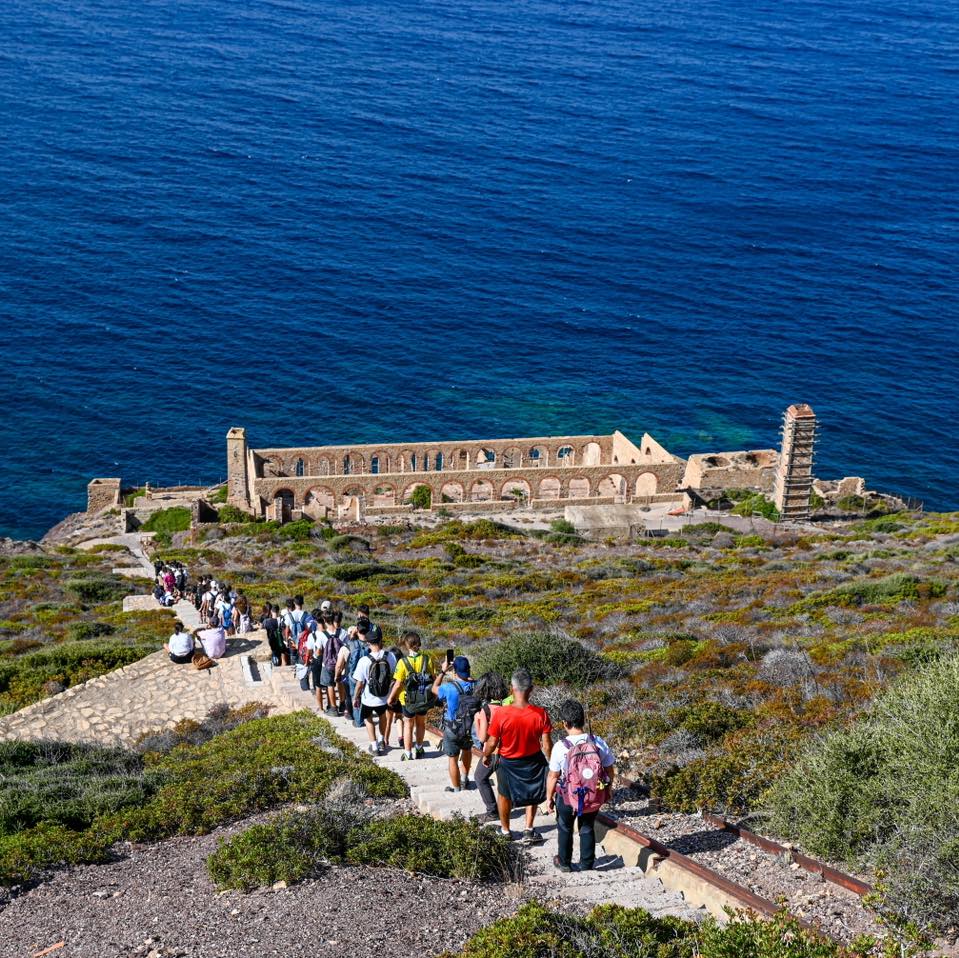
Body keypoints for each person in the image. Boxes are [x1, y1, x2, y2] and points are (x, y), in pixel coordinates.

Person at [482, 668, 552, 844]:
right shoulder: (541, 713)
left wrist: (486, 756)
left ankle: (505, 831)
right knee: (532, 793)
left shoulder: (501, 714)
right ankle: (529, 829)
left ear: (511, 688)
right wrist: (551, 761)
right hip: (533, 760)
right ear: (531, 689)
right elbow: (547, 744)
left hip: (508, 762)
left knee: (504, 794)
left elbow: (492, 742)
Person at [546, 699, 616, 873]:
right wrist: (608, 789)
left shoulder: (560, 747)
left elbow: (553, 776)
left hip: (568, 796)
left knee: (564, 827)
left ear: (565, 723)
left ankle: (564, 862)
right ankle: (586, 864)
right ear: (583, 720)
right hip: (592, 794)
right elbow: (609, 770)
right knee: (586, 827)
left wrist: (549, 798)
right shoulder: (598, 742)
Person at [433, 655, 478, 793]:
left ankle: (456, 789)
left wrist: (442, 671)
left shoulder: (448, 687)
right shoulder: (476, 685)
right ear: (469, 669)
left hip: (452, 728)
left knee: (452, 759)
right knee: (467, 751)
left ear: (454, 671)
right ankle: (465, 780)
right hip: (469, 727)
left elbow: (434, 688)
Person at [387, 631, 433, 761]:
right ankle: (419, 748)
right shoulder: (426, 659)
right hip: (423, 697)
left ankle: (407, 753)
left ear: (407, 645)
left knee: (408, 725)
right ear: (419, 644)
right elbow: (433, 677)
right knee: (420, 724)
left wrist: (391, 698)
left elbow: (398, 684)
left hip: (407, 700)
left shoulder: (402, 662)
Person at [472, 671, 509, 823]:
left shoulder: (485, 710)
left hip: (492, 751)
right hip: (508, 751)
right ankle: (508, 805)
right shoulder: (508, 706)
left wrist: (477, 720)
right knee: (503, 781)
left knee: (480, 778)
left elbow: (482, 737)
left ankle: (492, 811)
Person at [351, 631, 396, 755]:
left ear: (368, 643)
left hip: (368, 698)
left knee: (368, 719)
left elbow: (359, 684)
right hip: (385, 696)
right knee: (383, 716)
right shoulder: (390, 656)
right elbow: (394, 676)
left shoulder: (364, 660)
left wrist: (356, 697)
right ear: (381, 640)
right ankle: (382, 740)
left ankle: (374, 746)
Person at [340, 619, 371, 728]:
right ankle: (365, 718)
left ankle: (358, 721)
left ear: (358, 630)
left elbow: (346, 642)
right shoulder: (370, 644)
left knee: (356, 698)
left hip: (353, 675)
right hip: (368, 675)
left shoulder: (352, 643)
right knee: (366, 697)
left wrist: (353, 633)